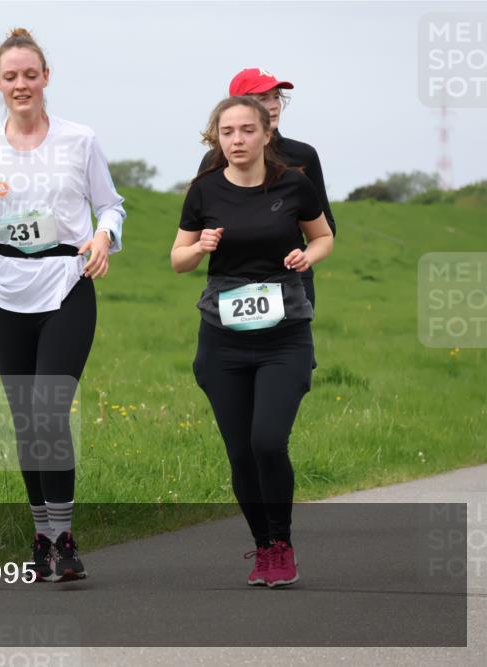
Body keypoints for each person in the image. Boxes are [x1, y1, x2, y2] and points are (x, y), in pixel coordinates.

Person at [0, 28, 125, 582]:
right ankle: (41, 536)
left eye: (30, 74)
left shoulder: (79, 140)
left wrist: (103, 237)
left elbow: (111, 206)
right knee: (26, 422)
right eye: (10, 76)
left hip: (67, 283)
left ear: (47, 78)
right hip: (6, 292)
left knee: (49, 411)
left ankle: (64, 537)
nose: (21, 84)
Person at [172, 96, 333, 587]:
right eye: (227, 132)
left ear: (266, 133)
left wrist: (308, 257)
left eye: (246, 130)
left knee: (267, 441)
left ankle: (282, 541)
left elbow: (323, 236)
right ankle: (264, 547)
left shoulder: (293, 184)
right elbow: (178, 259)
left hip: (284, 337)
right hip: (223, 340)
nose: (237, 140)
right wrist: (199, 247)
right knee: (241, 452)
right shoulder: (204, 190)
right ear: (216, 138)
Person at [197, 68, 336, 314]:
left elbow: (327, 229)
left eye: (276, 97)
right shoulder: (214, 161)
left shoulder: (303, 156)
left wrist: (305, 257)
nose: (273, 105)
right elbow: (197, 229)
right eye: (262, 98)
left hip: (292, 282)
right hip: (232, 284)